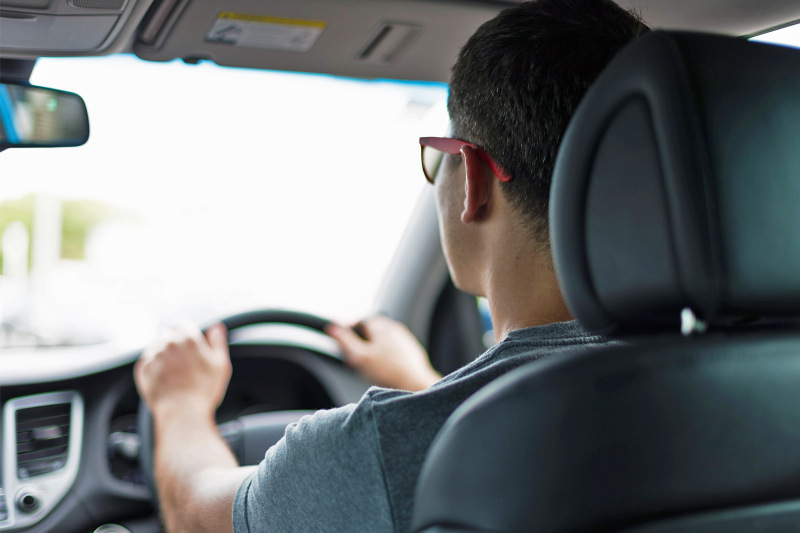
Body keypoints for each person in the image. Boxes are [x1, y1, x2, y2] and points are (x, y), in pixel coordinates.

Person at [133, 1, 649, 531]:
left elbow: (194, 513)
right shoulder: (722, 391)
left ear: (472, 177)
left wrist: (179, 405)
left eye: (437, 154)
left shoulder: (377, 446)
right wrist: (421, 382)